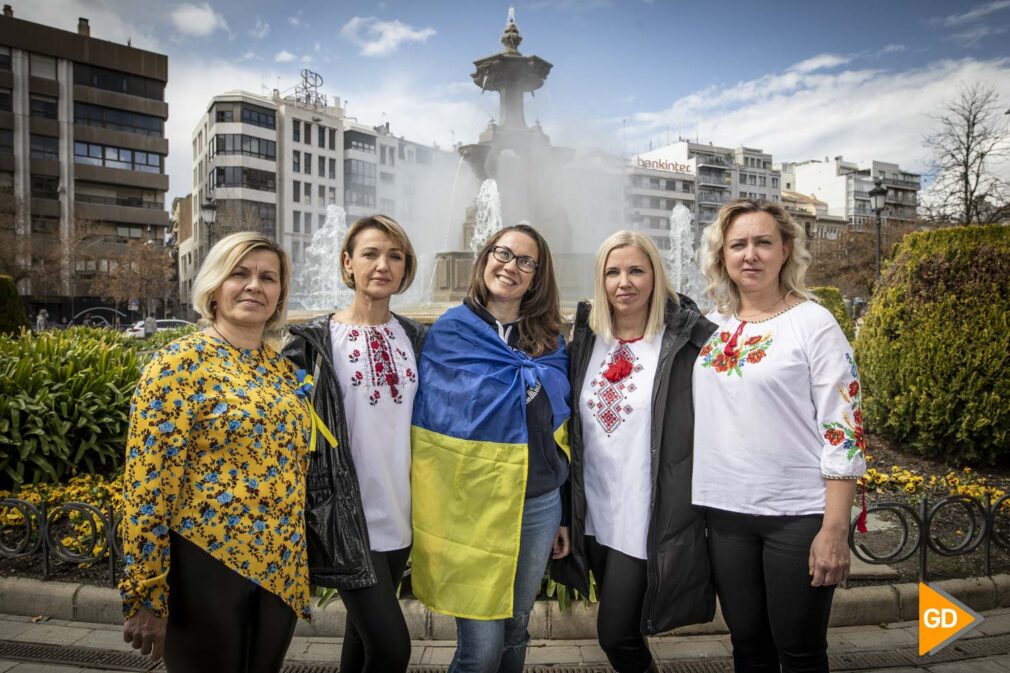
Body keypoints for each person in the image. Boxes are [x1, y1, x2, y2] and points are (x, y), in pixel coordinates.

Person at [120, 232, 313, 672]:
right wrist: (147, 590)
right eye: (239, 273)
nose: (254, 285)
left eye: (268, 277)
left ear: (279, 294)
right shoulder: (177, 364)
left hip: (280, 569)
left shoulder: (284, 370)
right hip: (206, 564)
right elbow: (146, 487)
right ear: (214, 286)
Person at [692, 199, 867, 673]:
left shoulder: (814, 323)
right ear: (723, 257)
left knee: (799, 650)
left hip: (796, 516)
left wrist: (834, 529)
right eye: (738, 245)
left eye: (763, 242)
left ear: (785, 250)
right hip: (726, 515)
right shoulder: (714, 329)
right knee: (748, 646)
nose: (751, 254)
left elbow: (844, 430)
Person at [553, 231, 715, 673]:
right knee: (622, 631)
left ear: (656, 277)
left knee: (616, 634)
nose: (624, 281)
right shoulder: (586, 341)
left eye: (636, 270)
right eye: (613, 272)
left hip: (646, 514)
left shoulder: (686, 343)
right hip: (596, 514)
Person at [411, 224, 571, 673]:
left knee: (517, 629)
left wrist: (564, 515)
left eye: (526, 261)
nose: (512, 266)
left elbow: (560, 425)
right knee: (479, 649)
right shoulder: (450, 333)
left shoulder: (549, 338)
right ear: (484, 260)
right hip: (472, 505)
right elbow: (436, 426)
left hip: (537, 502)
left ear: (536, 277)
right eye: (503, 253)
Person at [283, 215, 426, 673]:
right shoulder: (313, 343)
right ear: (348, 263)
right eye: (370, 253)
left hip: (400, 513)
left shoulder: (417, 337)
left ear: (405, 268)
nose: (382, 264)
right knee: (392, 649)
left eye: (394, 255)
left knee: (362, 644)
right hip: (344, 516)